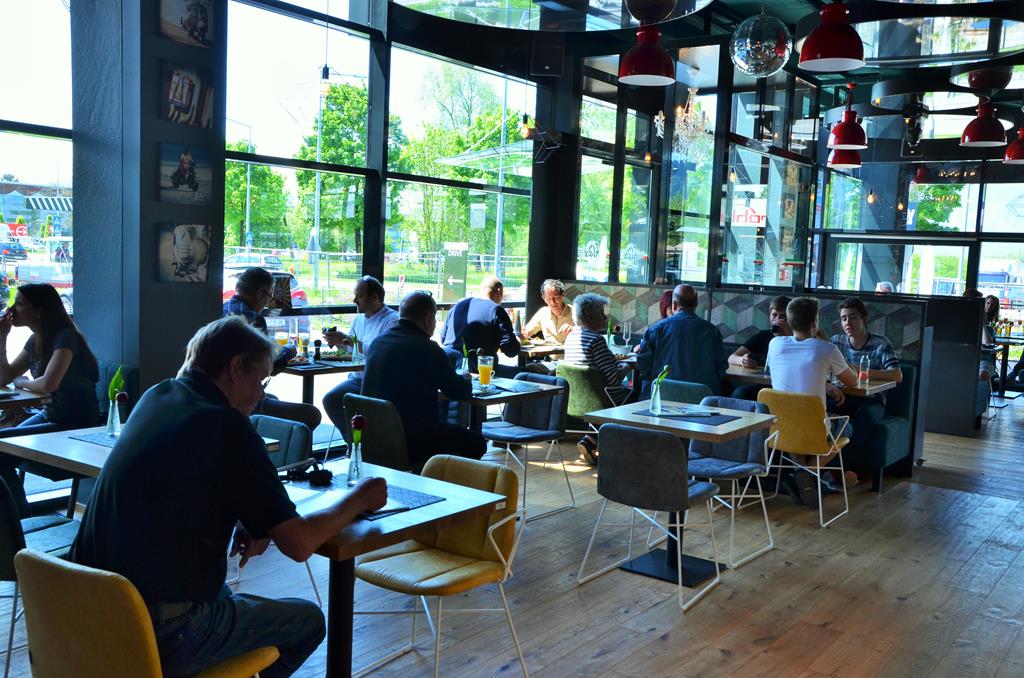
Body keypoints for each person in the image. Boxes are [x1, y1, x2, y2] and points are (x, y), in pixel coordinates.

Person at [71, 316, 387, 677]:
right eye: (260, 380)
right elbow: (299, 544)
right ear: (236, 368)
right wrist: (360, 497)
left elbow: (184, 486)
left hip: (89, 606)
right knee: (308, 621)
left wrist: (251, 518)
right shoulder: (228, 426)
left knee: (223, 595)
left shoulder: (157, 396)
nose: (261, 394)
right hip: (156, 628)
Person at [0, 283, 101, 516]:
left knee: (2, 449)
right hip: (51, 416)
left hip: (75, 424)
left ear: (39, 310)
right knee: (3, 444)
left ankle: (18, 519)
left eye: (20, 303)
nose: (12, 309)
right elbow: (5, 376)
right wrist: (2, 336)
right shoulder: (35, 340)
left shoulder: (66, 337)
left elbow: (48, 384)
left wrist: (23, 383)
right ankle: (17, 517)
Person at [362, 291, 485, 467]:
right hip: (414, 440)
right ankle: (438, 482)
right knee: (476, 443)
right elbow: (458, 391)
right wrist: (466, 379)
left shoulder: (378, 343)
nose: (434, 323)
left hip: (375, 436)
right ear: (427, 317)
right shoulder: (427, 348)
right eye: (434, 317)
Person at [766, 297, 859, 508]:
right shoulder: (826, 349)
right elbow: (852, 381)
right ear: (815, 322)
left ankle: (802, 480)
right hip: (813, 430)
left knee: (793, 421)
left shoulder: (774, 344)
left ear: (789, 321)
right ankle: (805, 473)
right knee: (847, 427)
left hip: (779, 428)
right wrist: (829, 346)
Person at [223, 267, 322, 433]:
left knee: (273, 398)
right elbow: (268, 369)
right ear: (260, 293)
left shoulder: (222, 308)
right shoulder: (254, 319)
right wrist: (287, 352)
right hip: (237, 399)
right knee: (312, 414)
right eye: (268, 296)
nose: (267, 303)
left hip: (220, 394)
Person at [828, 297, 902, 460]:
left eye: (853, 317)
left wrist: (862, 372)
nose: (848, 323)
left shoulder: (881, 343)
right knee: (817, 407)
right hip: (843, 397)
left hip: (872, 400)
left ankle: (845, 467)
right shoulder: (836, 342)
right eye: (844, 318)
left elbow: (897, 375)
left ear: (864, 318)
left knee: (862, 421)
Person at [321, 276, 399, 430]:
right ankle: (354, 439)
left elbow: (381, 353)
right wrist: (337, 342)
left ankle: (363, 439)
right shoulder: (358, 319)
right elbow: (351, 351)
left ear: (375, 297)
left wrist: (349, 341)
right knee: (330, 400)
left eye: (360, 296)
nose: (355, 300)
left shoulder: (392, 320)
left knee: (353, 404)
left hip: (379, 382)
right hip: (357, 379)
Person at [562, 293, 632, 463]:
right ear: (590, 316)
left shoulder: (570, 338)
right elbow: (613, 379)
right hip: (603, 400)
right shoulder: (596, 340)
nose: (605, 317)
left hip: (577, 399)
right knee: (636, 396)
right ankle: (625, 452)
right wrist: (627, 366)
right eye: (601, 313)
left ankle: (590, 439)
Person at [635, 285, 726, 396]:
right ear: (696, 304)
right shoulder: (712, 331)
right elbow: (721, 367)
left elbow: (643, 365)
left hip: (662, 397)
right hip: (703, 400)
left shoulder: (655, 330)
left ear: (674, 304)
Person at [441, 276, 520, 375]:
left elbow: (443, 339)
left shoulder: (457, 306)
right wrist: (518, 339)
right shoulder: (496, 310)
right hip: (478, 372)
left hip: (448, 368)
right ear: (499, 292)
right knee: (528, 371)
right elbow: (511, 350)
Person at [727, 295, 792, 400]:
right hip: (764, 385)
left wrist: (789, 333)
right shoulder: (763, 336)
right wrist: (742, 360)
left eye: (782, 316)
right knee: (740, 393)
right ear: (769, 316)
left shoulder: (796, 338)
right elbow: (731, 357)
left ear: (790, 319)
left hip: (788, 386)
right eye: (774, 315)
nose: (777, 319)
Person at [521, 278, 574, 344]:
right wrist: (519, 336)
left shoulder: (575, 312)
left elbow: (586, 332)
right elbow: (526, 332)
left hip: (570, 350)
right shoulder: (543, 313)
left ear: (563, 295)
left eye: (556, 298)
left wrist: (574, 330)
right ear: (544, 298)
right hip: (550, 350)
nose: (552, 302)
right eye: (548, 299)